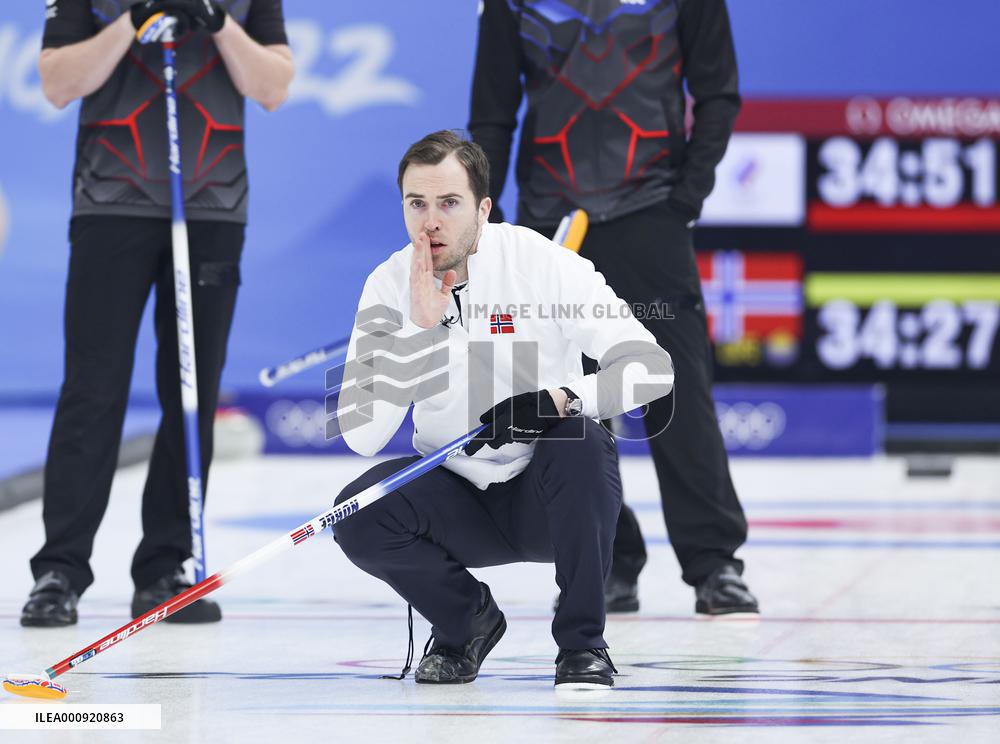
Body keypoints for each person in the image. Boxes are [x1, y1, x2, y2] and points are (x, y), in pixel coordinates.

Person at [332, 130, 674, 688]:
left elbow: (652, 368)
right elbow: (362, 436)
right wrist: (417, 331)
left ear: (483, 209)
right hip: (456, 501)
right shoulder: (388, 284)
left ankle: (582, 645)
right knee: (358, 510)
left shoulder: (541, 265)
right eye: (416, 204)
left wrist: (562, 400)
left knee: (582, 440)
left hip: (545, 496)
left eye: (449, 203)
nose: (430, 223)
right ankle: (466, 622)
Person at [467, 0, 758, 616]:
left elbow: (718, 92)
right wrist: (491, 225)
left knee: (675, 388)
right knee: (564, 398)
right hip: (552, 219)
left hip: (652, 213)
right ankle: (610, 559)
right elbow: (491, 116)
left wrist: (686, 197)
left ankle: (714, 564)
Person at [21, 0, 293, 627]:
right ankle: (60, 569)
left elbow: (272, 86)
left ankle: (166, 566)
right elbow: (60, 82)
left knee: (190, 390)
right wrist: (130, 21)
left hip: (212, 208)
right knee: (93, 388)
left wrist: (218, 21)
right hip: (109, 203)